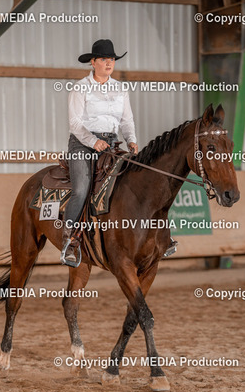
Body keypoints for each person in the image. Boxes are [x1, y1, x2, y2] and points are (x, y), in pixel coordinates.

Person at [61, 39, 176, 264]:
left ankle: (161, 235)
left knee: (137, 182)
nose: (109, 63)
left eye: (112, 59)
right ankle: (70, 240)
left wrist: (132, 140)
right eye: (104, 59)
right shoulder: (80, 88)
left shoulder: (120, 88)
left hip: (112, 145)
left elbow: (126, 120)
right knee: (81, 189)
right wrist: (93, 141)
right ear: (93, 62)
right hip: (82, 144)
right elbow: (75, 124)